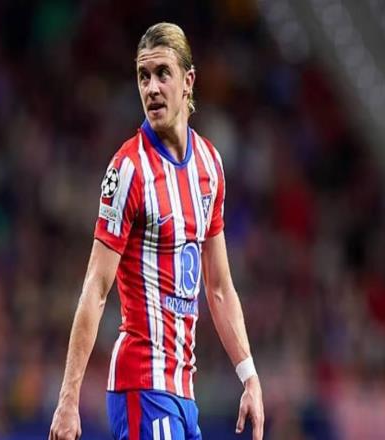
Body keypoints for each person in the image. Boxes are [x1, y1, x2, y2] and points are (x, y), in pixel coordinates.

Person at [49, 22, 264, 440]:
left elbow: (219, 287)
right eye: (143, 76)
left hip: (184, 393)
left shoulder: (210, 166)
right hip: (142, 385)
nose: (151, 88)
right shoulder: (128, 169)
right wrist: (68, 399)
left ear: (188, 82)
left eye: (163, 73)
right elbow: (95, 287)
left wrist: (249, 376)